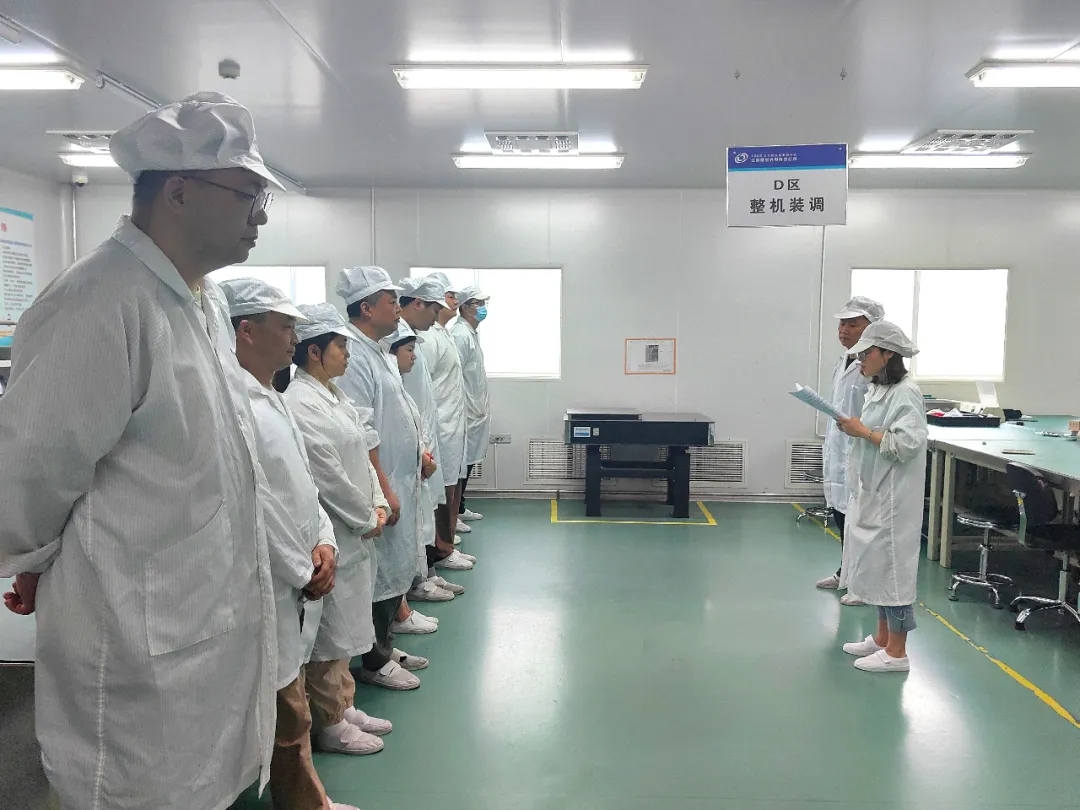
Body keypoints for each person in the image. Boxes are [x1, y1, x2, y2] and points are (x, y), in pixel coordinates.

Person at [0, 92, 281, 809]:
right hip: (130, 635)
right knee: (131, 790)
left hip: (196, 617)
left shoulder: (200, 301)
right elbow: (28, 471)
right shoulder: (98, 301)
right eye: (248, 196)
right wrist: (33, 559)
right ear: (179, 192)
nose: (261, 217)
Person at [220, 279, 361, 810]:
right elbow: (258, 504)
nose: (294, 340)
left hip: (298, 574)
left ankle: (304, 799)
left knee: (290, 701)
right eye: (285, 327)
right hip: (275, 580)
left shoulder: (271, 399)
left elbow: (303, 486)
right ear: (246, 331)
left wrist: (323, 539)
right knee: (285, 708)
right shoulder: (234, 404)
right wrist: (304, 567)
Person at [283, 302, 419, 721]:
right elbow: (328, 476)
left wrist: (378, 502)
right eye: (340, 347)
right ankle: (330, 720)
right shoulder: (301, 403)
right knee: (329, 633)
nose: (347, 354)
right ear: (314, 351)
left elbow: (362, 451)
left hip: (359, 530)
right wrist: (366, 516)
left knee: (347, 629)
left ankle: (345, 705)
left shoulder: (335, 396)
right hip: (340, 531)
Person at [335, 266, 434, 689]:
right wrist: (383, 488)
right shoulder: (354, 355)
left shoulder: (376, 351)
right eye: (392, 302)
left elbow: (399, 412)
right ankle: (374, 660)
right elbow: (361, 429)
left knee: (393, 568)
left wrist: (419, 453)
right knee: (378, 574)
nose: (399, 309)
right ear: (366, 308)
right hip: (381, 480)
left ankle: (384, 644)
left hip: (400, 476)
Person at [835, 321, 928, 673]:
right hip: (876, 491)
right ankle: (882, 639)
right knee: (878, 569)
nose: (861, 360)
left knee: (894, 575)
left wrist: (863, 431)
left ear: (888, 354)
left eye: (867, 353)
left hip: (894, 498)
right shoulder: (879, 388)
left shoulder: (906, 392)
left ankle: (897, 653)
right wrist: (857, 429)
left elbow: (906, 444)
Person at [396, 276, 469, 601]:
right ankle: (414, 583)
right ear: (417, 303)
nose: (438, 314)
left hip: (426, 436)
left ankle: (425, 572)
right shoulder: (399, 341)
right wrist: (421, 444)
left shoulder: (419, 337)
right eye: (434, 308)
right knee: (415, 517)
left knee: (425, 511)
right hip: (413, 443)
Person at [816, 295, 885, 606]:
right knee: (843, 515)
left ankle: (866, 585)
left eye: (852, 324)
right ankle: (846, 573)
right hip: (841, 448)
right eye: (841, 324)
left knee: (864, 524)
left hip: (865, 451)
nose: (843, 330)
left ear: (871, 327)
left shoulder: (877, 366)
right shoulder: (845, 360)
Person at [423, 273, 476, 571]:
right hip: (440, 426)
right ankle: (441, 549)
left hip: (453, 425)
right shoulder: (428, 338)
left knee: (452, 487)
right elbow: (424, 388)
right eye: (450, 296)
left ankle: (447, 544)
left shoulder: (443, 334)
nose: (455, 301)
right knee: (441, 491)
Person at [451, 285, 492, 529]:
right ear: (464, 307)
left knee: (468, 461)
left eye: (484, 303)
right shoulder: (460, 335)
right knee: (461, 463)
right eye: (478, 303)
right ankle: (452, 515)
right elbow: (454, 377)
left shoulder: (470, 333)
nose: (483, 308)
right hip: (465, 412)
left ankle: (459, 507)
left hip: (474, 410)